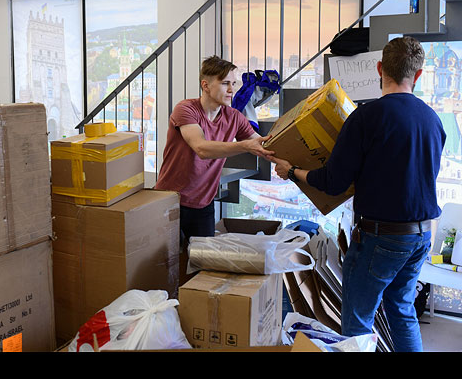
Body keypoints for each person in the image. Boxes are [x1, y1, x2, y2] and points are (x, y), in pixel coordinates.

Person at [271, 36, 446, 352]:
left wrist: (292, 171)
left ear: (380, 69)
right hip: (420, 236)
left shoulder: (366, 118)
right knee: (402, 310)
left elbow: (333, 182)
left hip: (381, 237)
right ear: (417, 75)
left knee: (356, 322)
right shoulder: (433, 120)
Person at [154, 55, 274, 246]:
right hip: (169, 201)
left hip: (203, 204)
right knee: (166, 265)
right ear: (206, 85)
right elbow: (201, 148)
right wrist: (243, 146)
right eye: (225, 83)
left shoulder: (234, 116)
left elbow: (259, 145)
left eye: (233, 83)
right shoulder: (185, 109)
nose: (231, 90)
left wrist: (290, 166)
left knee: (202, 267)